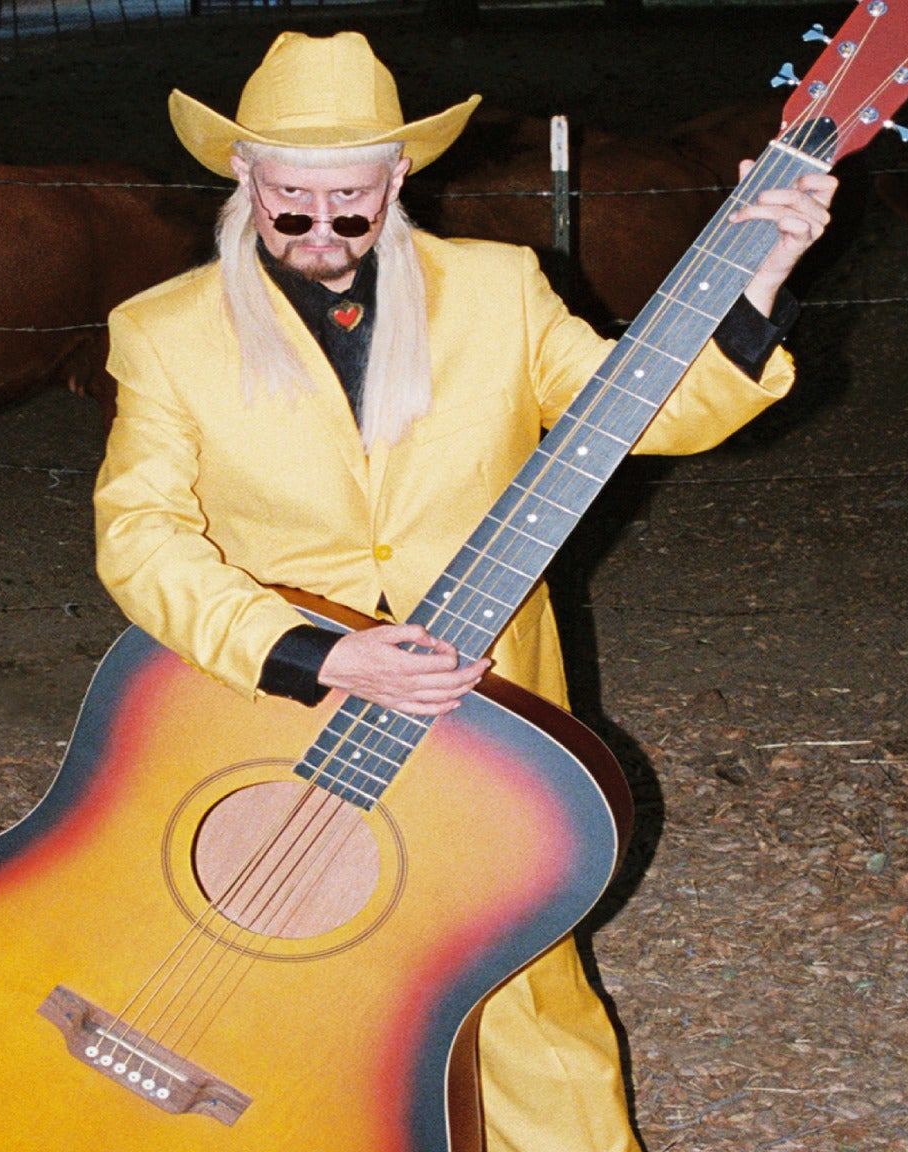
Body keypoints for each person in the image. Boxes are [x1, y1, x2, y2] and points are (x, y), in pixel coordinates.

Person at [93, 31, 834, 1152]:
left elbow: (642, 412)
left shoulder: (495, 290)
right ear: (242, 180)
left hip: (482, 702)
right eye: (291, 204)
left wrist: (760, 274)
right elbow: (139, 537)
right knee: (279, 962)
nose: (321, 233)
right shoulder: (162, 333)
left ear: (397, 180)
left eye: (351, 202)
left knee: (517, 976)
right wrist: (311, 651)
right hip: (275, 712)